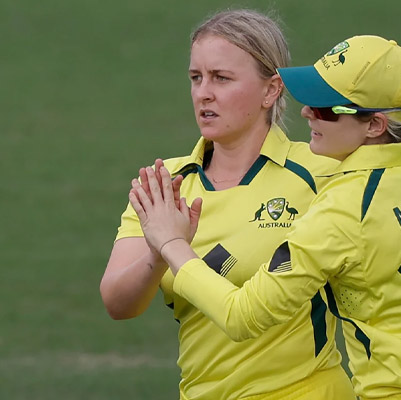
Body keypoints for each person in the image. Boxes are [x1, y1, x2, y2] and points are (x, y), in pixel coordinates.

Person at [131, 35, 401, 399]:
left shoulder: (343, 209)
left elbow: (243, 316)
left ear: (375, 125)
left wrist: (171, 244)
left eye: (328, 109)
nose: (308, 113)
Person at [100, 9, 357, 400]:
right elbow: (118, 303)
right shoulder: (165, 184)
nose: (204, 92)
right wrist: (160, 245)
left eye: (222, 78)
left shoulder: (321, 172)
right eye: (195, 78)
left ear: (271, 90)